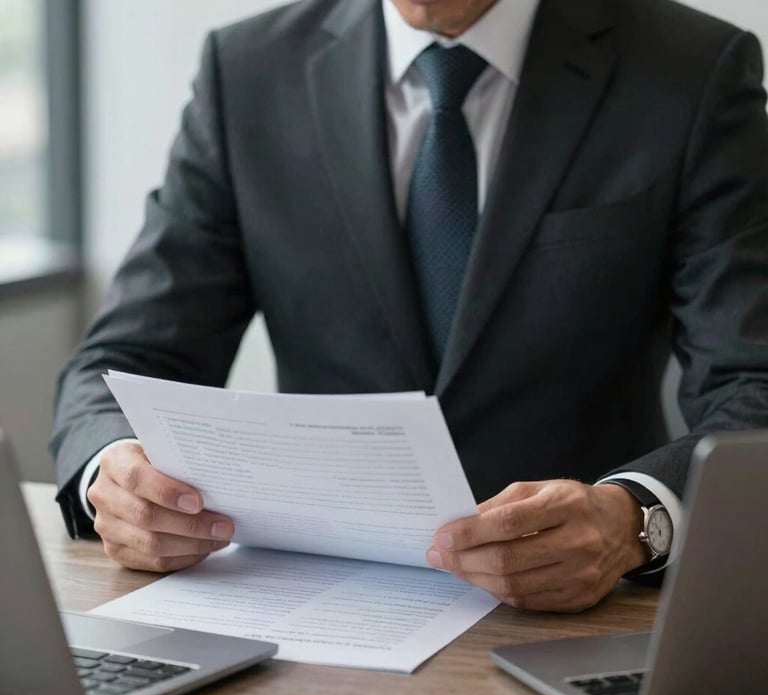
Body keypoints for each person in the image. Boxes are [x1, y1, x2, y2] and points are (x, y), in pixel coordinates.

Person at [52, 0, 768, 613]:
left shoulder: (691, 71)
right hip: (312, 612)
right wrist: (114, 478)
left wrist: (636, 519)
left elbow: (753, 382)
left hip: (588, 615)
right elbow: (123, 360)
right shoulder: (247, 71)